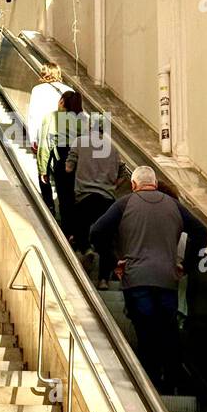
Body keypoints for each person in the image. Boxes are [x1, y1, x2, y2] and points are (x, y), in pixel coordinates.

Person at [89, 165, 207, 392]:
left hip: (136, 280)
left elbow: (96, 231)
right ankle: (171, 382)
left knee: (145, 331)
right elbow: (202, 233)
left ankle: (149, 385)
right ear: (155, 183)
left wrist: (115, 260)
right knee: (168, 329)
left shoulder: (124, 204)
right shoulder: (174, 205)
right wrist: (186, 265)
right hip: (167, 280)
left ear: (134, 185)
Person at [67, 113, 127, 287]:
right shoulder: (112, 148)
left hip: (84, 196)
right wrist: (114, 184)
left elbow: (69, 168)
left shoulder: (79, 143)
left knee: (80, 228)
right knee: (106, 239)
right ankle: (103, 279)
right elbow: (123, 173)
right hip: (107, 199)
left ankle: (86, 249)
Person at [36, 89, 83, 235]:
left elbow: (45, 144)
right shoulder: (83, 120)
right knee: (75, 197)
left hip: (61, 161)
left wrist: (43, 169)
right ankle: (78, 234)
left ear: (62, 101)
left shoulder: (52, 117)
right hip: (80, 162)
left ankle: (66, 232)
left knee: (64, 198)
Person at [27, 65, 70, 151]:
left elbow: (33, 115)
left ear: (43, 74)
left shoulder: (37, 90)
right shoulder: (69, 90)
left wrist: (33, 139)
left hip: (44, 135)